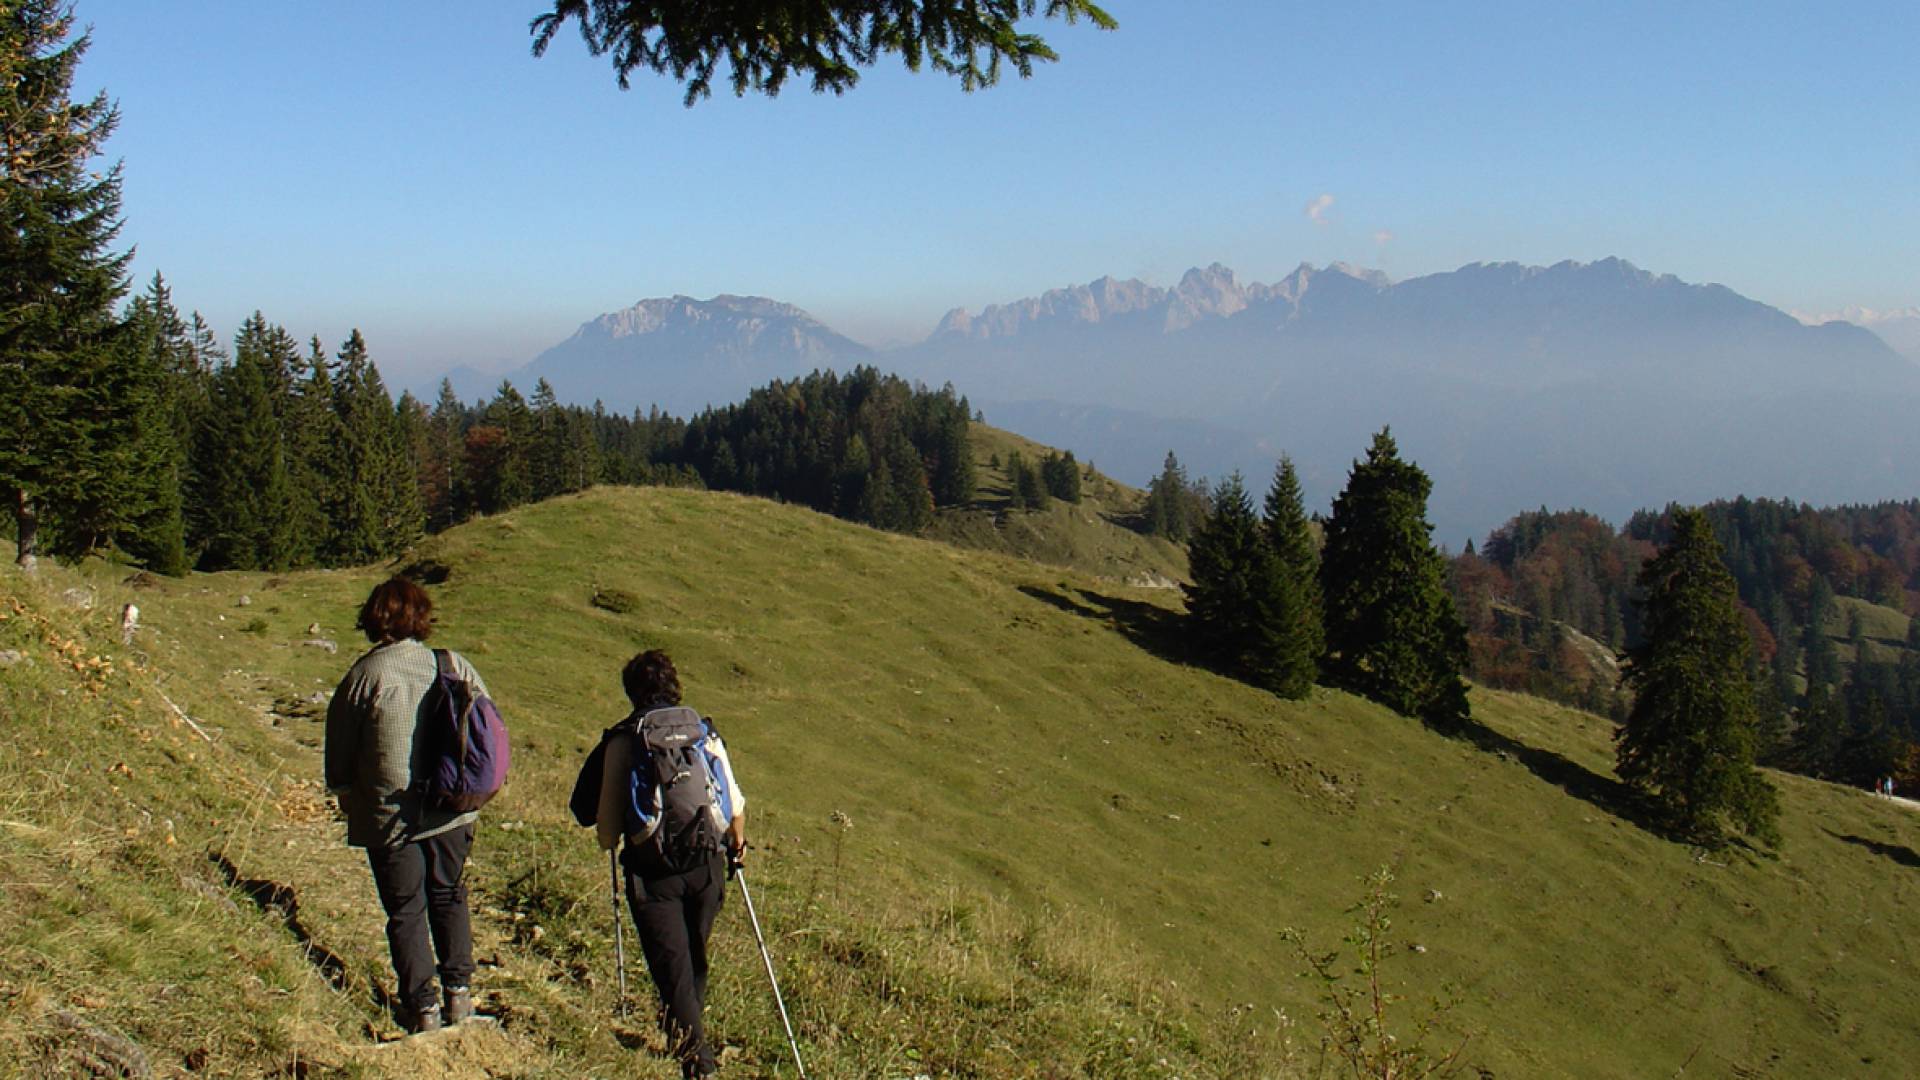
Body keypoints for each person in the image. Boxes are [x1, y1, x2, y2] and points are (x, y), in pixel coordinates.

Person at [571, 650, 746, 1079]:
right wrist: (737, 845)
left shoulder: (624, 739)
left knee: (673, 965)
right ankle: (684, 1029)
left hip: (653, 872)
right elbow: (734, 802)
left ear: (632, 692)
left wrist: (611, 838)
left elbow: (589, 814)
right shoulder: (701, 732)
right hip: (708, 862)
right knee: (693, 955)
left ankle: (696, 1061)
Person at [324, 576, 487, 1035]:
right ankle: (460, 996)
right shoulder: (453, 663)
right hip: (452, 807)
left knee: (405, 909)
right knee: (449, 894)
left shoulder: (363, 676)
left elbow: (337, 756)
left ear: (374, 618)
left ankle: (422, 1008)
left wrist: (344, 792)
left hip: (388, 815)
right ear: (421, 616)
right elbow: (487, 725)